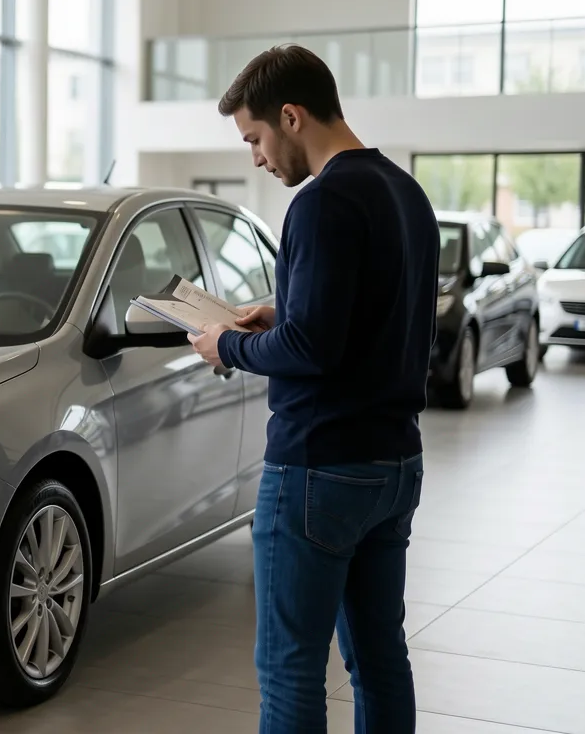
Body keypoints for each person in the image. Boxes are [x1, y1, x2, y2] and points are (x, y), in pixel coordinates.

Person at [186, 44, 439, 734]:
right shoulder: (404, 192)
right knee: (380, 656)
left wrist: (226, 344)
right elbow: (375, 320)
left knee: (291, 668)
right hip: (393, 462)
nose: (257, 158)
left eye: (256, 138)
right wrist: (283, 312)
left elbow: (312, 349)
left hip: (318, 470)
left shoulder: (323, 202)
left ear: (291, 117)